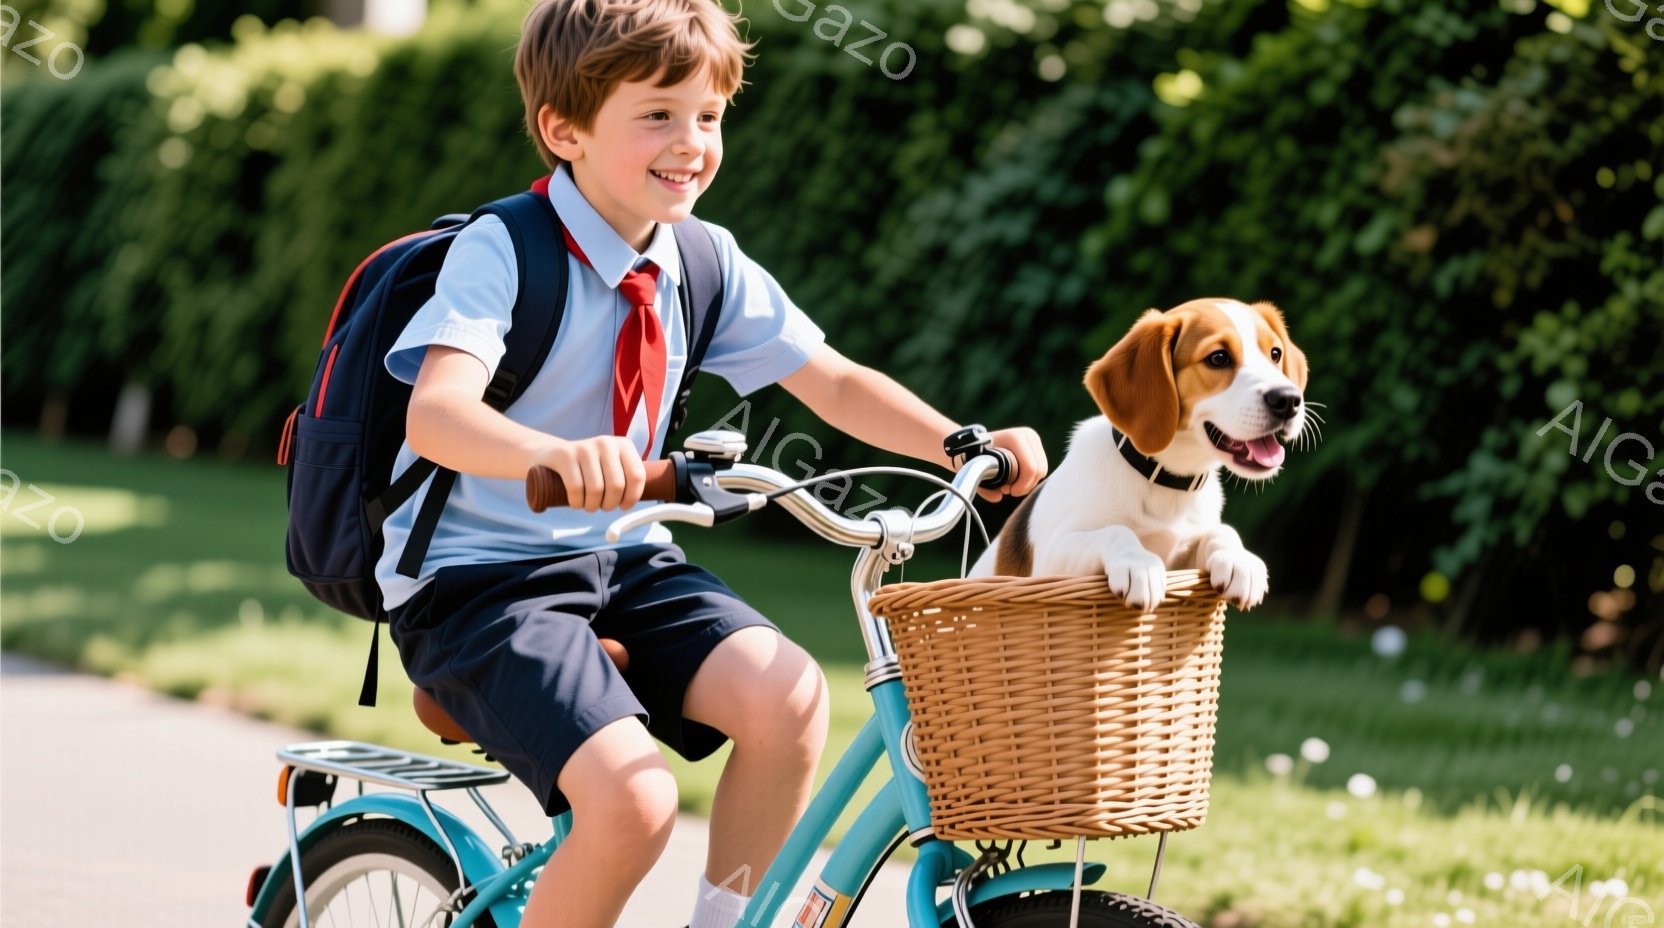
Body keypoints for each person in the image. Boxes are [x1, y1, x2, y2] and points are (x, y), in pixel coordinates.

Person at [376, 1, 1049, 926]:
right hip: (480, 582)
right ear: (563, 128)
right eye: (657, 113)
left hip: (622, 557)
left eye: (709, 115)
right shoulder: (507, 249)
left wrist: (960, 442)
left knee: (792, 696)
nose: (691, 141)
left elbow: (835, 382)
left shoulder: (699, 258)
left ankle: (726, 921)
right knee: (634, 804)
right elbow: (438, 412)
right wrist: (557, 454)